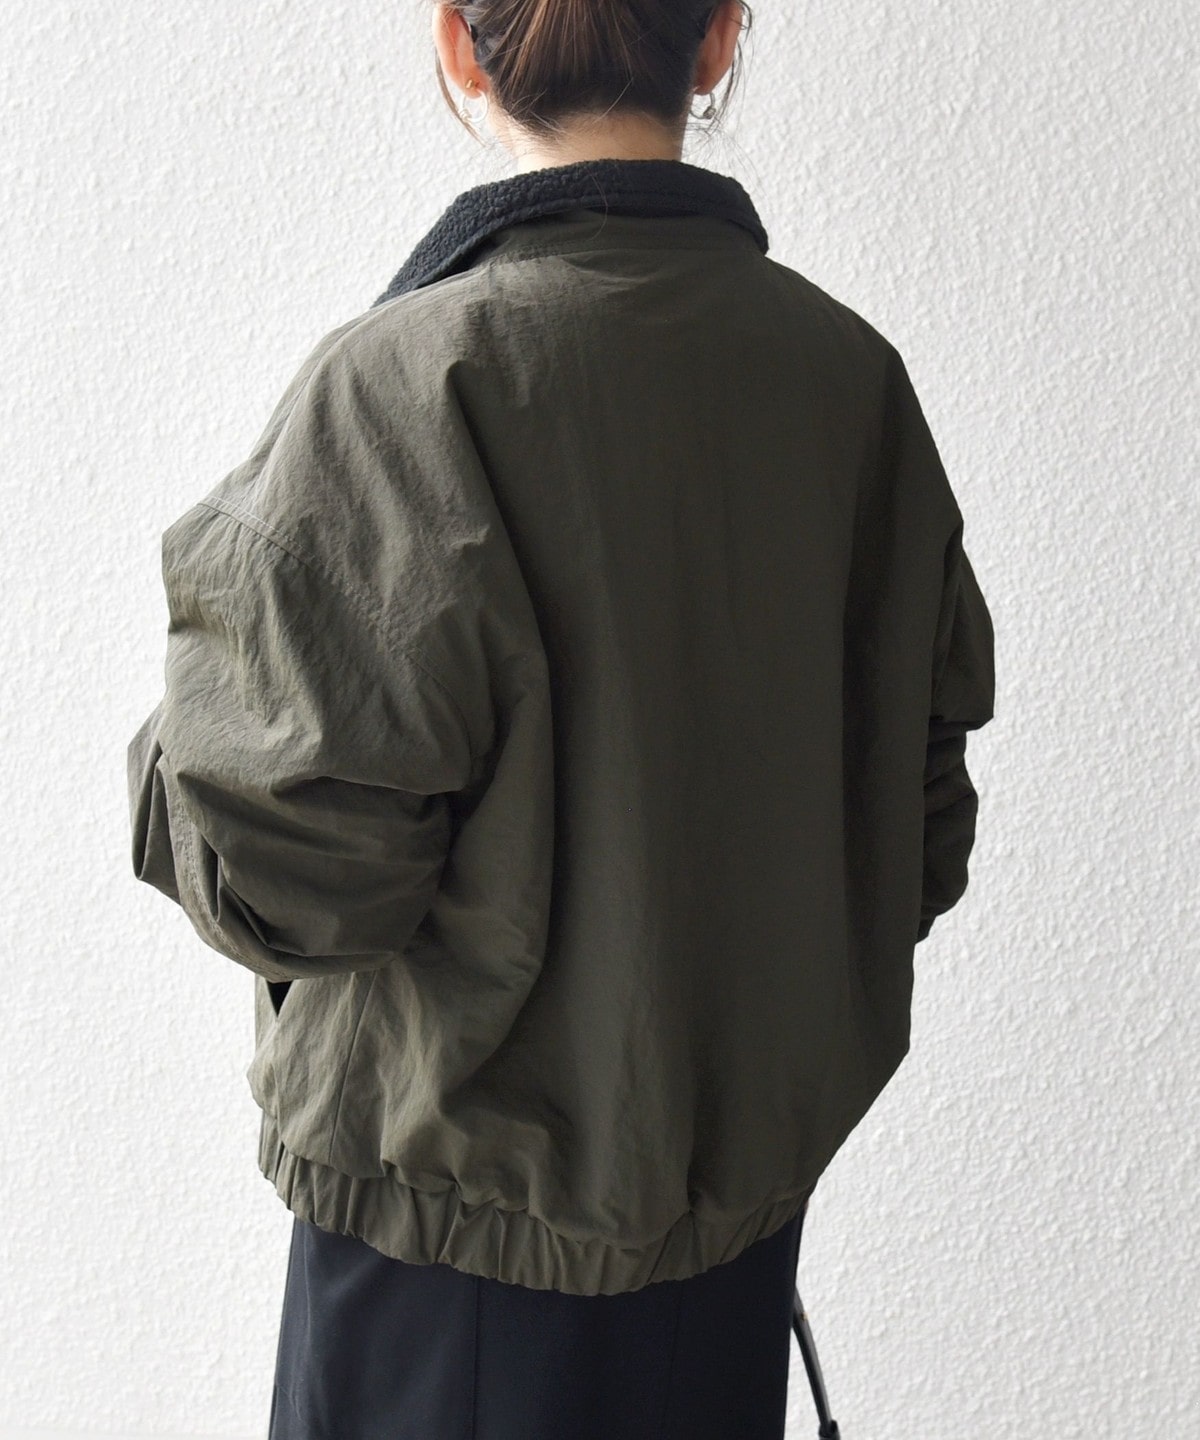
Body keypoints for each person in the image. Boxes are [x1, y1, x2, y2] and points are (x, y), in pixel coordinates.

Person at [124, 1, 996, 1436]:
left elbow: (296, 877)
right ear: (718, 40)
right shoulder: (850, 381)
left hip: (440, 1294)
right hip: (727, 1281)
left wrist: (177, 751)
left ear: (461, 48)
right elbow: (915, 832)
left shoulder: (405, 384)